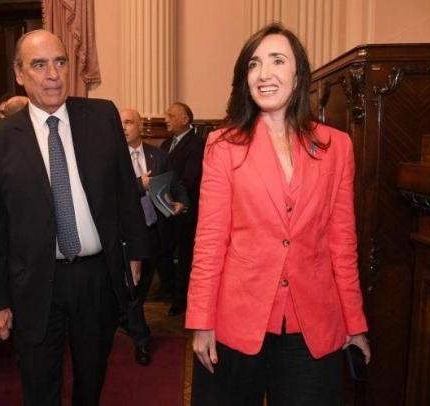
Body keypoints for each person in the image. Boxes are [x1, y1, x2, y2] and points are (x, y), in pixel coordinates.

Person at [186, 23, 371, 405]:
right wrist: (201, 321)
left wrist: (354, 323)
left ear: (299, 75)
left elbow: (342, 244)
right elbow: (210, 242)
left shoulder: (336, 147)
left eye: (277, 61)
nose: (264, 73)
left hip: (312, 328)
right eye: (254, 64)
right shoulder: (223, 146)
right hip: (237, 324)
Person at [0, 30, 149, 405]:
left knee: (92, 379)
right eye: (39, 65)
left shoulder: (101, 116)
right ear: (19, 73)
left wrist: (135, 251)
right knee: (39, 386)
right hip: (34, 283)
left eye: (60, 62)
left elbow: (125, 189)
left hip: (96, 277)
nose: (53, 74)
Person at [119, 108, 189, 366]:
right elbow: (112, 192)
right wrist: (141, 185)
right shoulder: (112, 156)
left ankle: (127, 319)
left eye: (128, 122)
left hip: (154, 232)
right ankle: (141, 340)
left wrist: (182, 202)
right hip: (126, 235)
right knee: (133, 288)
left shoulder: (157, 155)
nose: (123, 127)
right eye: (120, 123)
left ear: (140, 127)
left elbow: (174, 183)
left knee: (142, 286)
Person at [161, 102, 204, 315]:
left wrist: (171, 197)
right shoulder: (166, 143)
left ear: (185, 119)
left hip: (186, 210)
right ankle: (168, 290)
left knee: (185, 255)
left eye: (170, 115)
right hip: (165, 208)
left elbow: (190, 179)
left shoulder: (197, 144)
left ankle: (181, 299)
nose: (165, 119)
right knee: (164, 250)